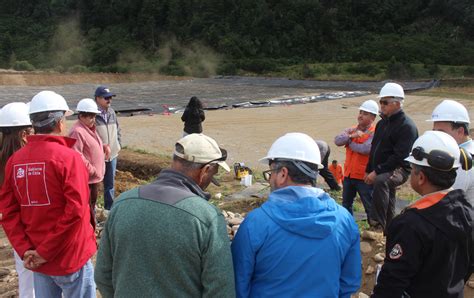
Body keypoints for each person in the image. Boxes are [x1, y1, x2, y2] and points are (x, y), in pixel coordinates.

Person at [95, 133, 235, 297]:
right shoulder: (207, 217)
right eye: (214, 173)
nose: (212, 180)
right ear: (205, 170)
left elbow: (103, 275)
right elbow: (220, 290)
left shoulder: (122, 203)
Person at [231, 133, 361, 298]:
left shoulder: (256, 223)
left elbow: (238, 284)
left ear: (283, 174)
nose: (269, 178)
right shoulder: (344, 220)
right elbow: (350, 282)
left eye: (271, 172)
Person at [0, 91, 96, 297]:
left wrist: (27, 250)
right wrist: (44, 252)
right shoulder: (69, 158)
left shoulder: (15, 161)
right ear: (60, 122)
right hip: (69, 256)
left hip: (36, 256)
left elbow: (8, 212)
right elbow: (76, 212)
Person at [372, 131, 474, 297]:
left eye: (412, 169)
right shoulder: (468, 213)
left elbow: (391, 284)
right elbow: (468, 266)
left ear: (420, 178)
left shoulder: (409, 225)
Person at [365, 83, 418, 231]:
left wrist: (377, 172)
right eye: (380, 102)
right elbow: (374, 148)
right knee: (388, 193)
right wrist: (369, 169)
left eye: (385, 102)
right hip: (384, 167)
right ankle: (389, 228)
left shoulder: (407, 126)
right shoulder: (382, 124)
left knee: (382, 181)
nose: (381, 105)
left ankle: (377, 225)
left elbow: (400, 156)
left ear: (397, 103)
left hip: (400, 168)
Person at [0, 102, 35, 298]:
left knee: (25, 275)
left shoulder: (4, 159)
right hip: (33, 224)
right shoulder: (25, 161)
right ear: (24, 133)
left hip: (14, 228)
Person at [335, 99, 378, 222]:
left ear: (373, 117)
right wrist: (350, 137)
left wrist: (349, 143)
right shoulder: (352, 130)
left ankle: (374, 229)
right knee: (346, 204)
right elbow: (337, 141)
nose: (361, 115)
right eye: (360, 112)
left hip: (364, 176)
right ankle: (348, 227)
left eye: (365, 113)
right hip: (349, 175)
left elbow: (366, 149)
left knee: (369, 205)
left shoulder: (375, 132)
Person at [428, 99, 474, 206]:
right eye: (434, 132)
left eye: (441, 133)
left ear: (460, 131)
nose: (436, 138)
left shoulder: (465, 162)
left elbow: (444, 201)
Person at [68, 98, 105, 229]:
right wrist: (92, 170)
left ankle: (91, 228)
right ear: (81, 115)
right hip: (88, 179)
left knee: (92, 206)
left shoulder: (89, 129)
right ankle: (89, 231)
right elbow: (76, 154)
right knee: (88, 207)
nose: (93, 119)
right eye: (90, 116)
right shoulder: (77, 131)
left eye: (94, 116)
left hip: (94, 178)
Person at [94, 85, 121, 210]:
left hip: (113, 154)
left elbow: (118, 129)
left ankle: (108, 210)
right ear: (98, 98)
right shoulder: (92, 115)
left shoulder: (112, 112)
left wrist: (118, 144)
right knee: (94, 184)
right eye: (106, 98)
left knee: (110, 185)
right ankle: (92, 210)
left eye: (110, 97)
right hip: (98, 157)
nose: (109, 100)